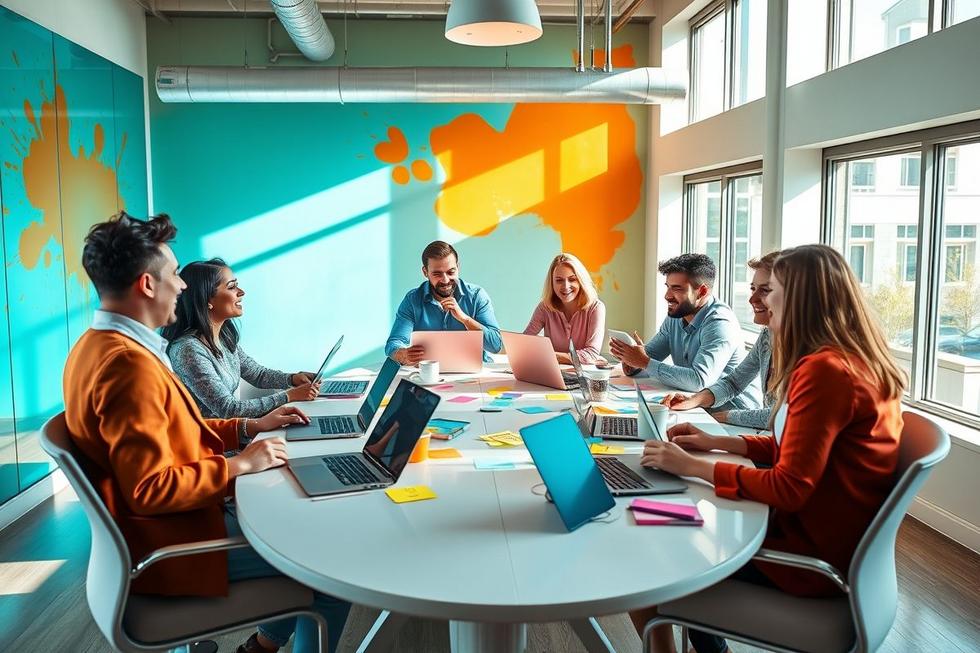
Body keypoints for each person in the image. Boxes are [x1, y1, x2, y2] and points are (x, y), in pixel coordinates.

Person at [63, 213, 351, 653]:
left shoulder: (94, 346)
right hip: (175, 545)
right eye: (175, 275)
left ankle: (260, 647)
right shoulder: (128, 365)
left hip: (175, 524)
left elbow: (175, 429)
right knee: (331, 565)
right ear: (146, 285)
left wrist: (248, 427)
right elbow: (150, 488)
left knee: (302, 513)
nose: (181, 285)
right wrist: (240, 463)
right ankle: (263, 646)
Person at [631, 244, 905, 653]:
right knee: (654, 515)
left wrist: (692, 466)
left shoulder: (824, 371)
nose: (756, 301)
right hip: (819, 539)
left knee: (645, 546)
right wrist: (716, 442)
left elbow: (790, 487)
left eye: (768, 290)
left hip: (805, 558)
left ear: (796, 298)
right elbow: (793, 447)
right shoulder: (847, 360)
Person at [163, 258, 319, 427]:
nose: (241, 292)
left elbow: (258, 374)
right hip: (216, 446)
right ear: (207, 299)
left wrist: (293, 379)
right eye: (231, 287)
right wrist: (289, 396)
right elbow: (228, 409)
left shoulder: (223, 336)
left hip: (240, 434)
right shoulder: (188, 350)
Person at [609, 253, 761, 410]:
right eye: (667, 287)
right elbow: (647, 359)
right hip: (695, 405)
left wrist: (643, 361)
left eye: (676, 288)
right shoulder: (676, 315)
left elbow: (699, 381)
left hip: (731, 414)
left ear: (702, 292)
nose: (667, 296)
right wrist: (629, 360)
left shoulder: (720, 323)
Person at [661, 251, 780, 428]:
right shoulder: (767, 335)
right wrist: (694, 400)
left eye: (765, 290)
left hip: (747, 421)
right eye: (753, 288)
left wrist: (721, 417)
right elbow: (734, 382)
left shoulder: (719, 320)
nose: (751, 299)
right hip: (762, 434)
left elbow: (782, 417)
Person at [385, 240, 502, 365]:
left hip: (475, 375)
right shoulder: (412, 300)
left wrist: (465, 319)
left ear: (458, 267)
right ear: (425, 272)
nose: (445, 280)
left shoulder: (476, 296)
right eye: (437, 274)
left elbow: (496, 345)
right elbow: (393, 343)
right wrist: (403, 354)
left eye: (451, 272)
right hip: (429, 375)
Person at [523, 253, 606, 364]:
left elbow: (591, 354)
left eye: (572, 279)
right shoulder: (545, 307)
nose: (566, 286)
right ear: (552, 283)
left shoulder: (596, 308)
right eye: (559, 280)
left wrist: (550, 355)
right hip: (552, 374)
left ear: (581, 281)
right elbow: (523, 344)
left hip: (583, 377)